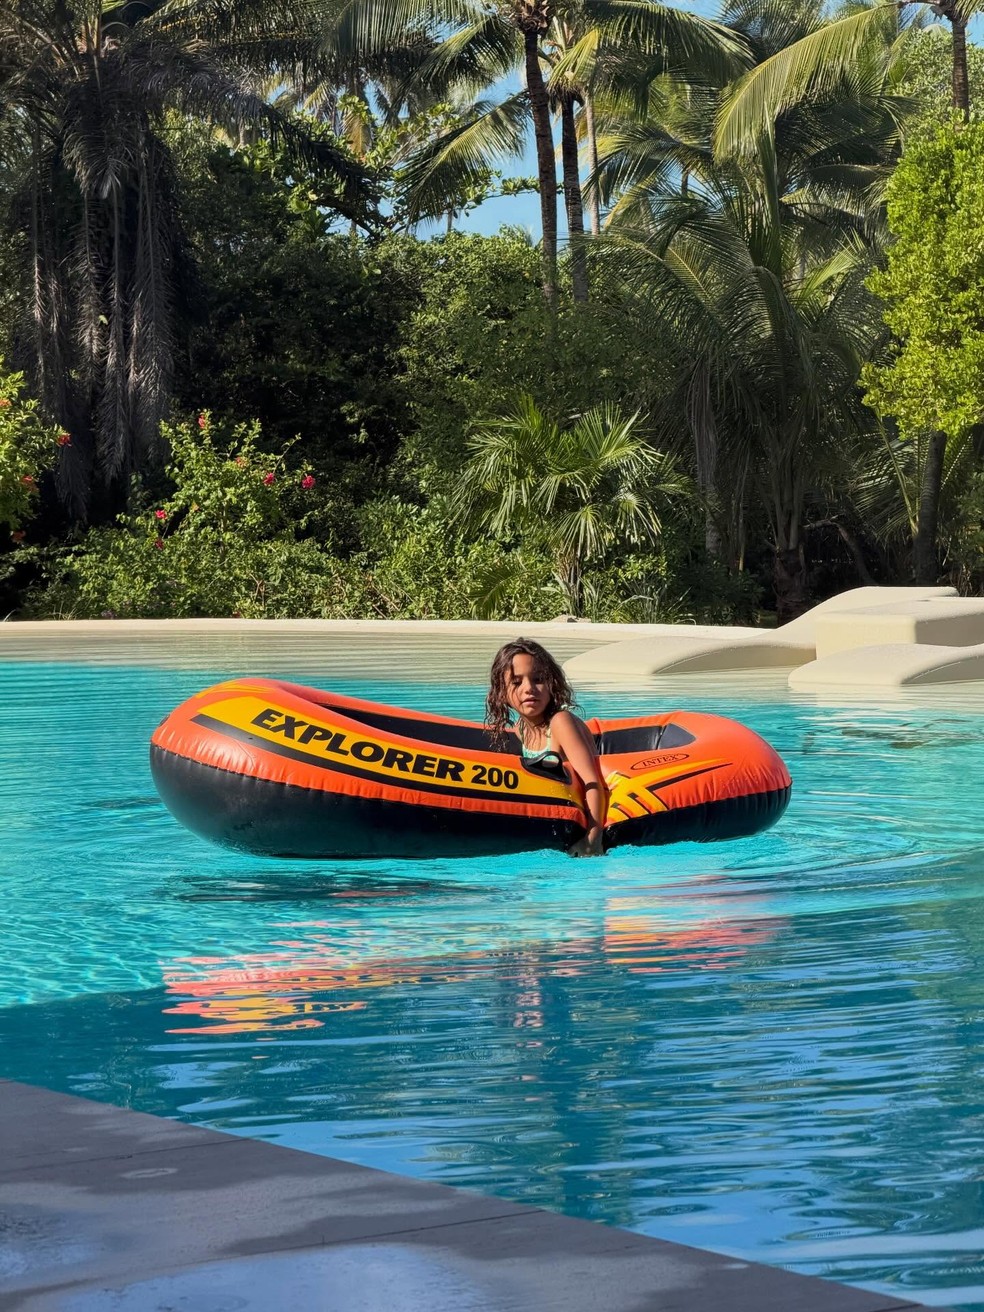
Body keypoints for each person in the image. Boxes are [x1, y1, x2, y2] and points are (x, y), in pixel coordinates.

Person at [486, 639, 607, 857]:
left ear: (552, 684)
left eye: (538, 679)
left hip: (584, 831)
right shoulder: (520, 728)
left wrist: (593, 837)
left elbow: (592, 781)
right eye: (516, 682)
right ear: (502, 693)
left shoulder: (561, 722)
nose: (529, 689)